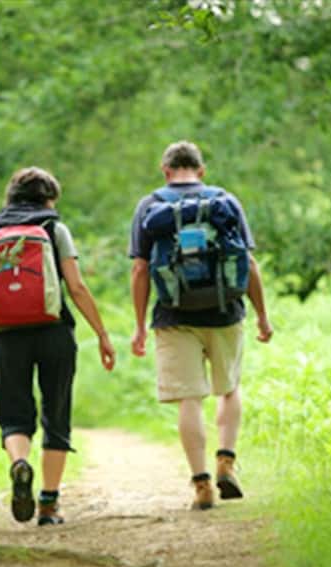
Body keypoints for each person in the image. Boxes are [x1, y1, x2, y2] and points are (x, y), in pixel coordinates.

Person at [129, 141, 273, 510]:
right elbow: (249, 262)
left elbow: (141, 269)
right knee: (229, 388)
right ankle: (226, 460)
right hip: (226, 312)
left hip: (175, 317)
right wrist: (262, 315)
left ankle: (202, 485)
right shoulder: (225, 201)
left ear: (165, 170)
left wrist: (140, 326)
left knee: (189, 399)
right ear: (201, 170)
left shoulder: (151, 205)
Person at [0, 166, 116, 526]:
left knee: (14, 415)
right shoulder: (54, 229)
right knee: (57, 412)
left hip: (6, 336)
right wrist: (102, 333)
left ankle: (20, 464)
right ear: (49, 198)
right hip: (54, 333)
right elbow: (77, 287)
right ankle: (49, 504)